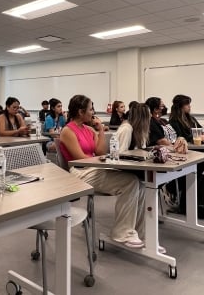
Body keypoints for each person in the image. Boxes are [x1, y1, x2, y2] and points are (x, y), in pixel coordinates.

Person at [59, 95, 159, 251]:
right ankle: (122, 233)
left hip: (95, 168)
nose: (93, 112)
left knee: (139, 183)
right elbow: (79, 158)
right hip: (80, 172)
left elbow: (99, 151)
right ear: (80, 112)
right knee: (130, 182)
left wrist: (99, 131)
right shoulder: (67, 131)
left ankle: (139, 232)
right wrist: (102, 160)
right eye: (90, 108)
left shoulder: (89, 129)